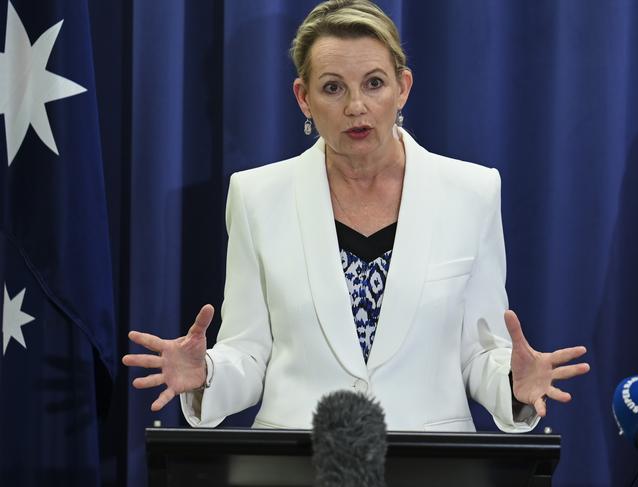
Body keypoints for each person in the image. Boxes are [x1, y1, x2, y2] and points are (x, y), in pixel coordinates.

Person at [123, 0, 589, 432]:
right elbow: (249, 351)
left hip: (431, 464)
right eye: (332, 88)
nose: (356, 107)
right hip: (294, 462)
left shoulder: (472, 192)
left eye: (374, 83)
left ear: (402, 88)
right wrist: (206, 374)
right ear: (304, 99)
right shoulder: (256, 195)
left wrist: (512, 380)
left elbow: (478, 353)